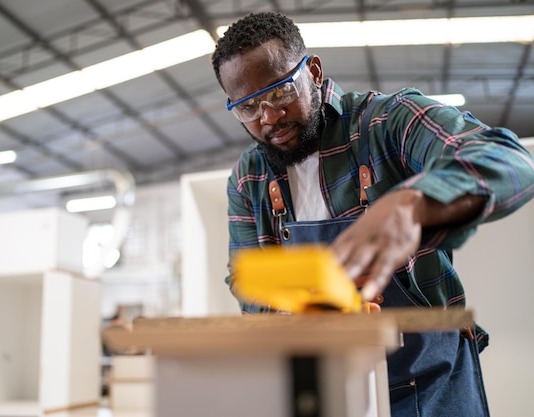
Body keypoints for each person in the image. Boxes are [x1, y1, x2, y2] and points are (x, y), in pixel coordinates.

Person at [211, 11, 534, 416]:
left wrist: (415, 204)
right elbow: (245, 277)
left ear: (312, 71)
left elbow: (508, 160)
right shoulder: (249, 177)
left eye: (279, 92)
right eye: (248, 107)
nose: (269, 116)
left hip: (435, 381)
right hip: (334, 387)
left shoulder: (386, 123)